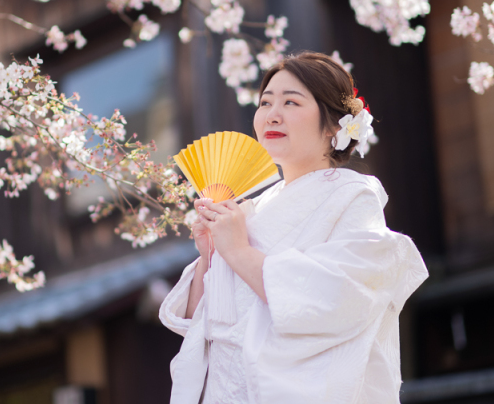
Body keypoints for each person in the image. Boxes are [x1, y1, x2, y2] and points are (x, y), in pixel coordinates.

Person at [159, 51, 429, 404]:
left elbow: (339, 298)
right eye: (265, 102)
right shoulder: (252, 209)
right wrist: (211, 257)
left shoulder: (352, 196)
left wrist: (238, 252)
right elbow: (202, 324)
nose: (272, 114)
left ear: (334, 123)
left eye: (291, 102)